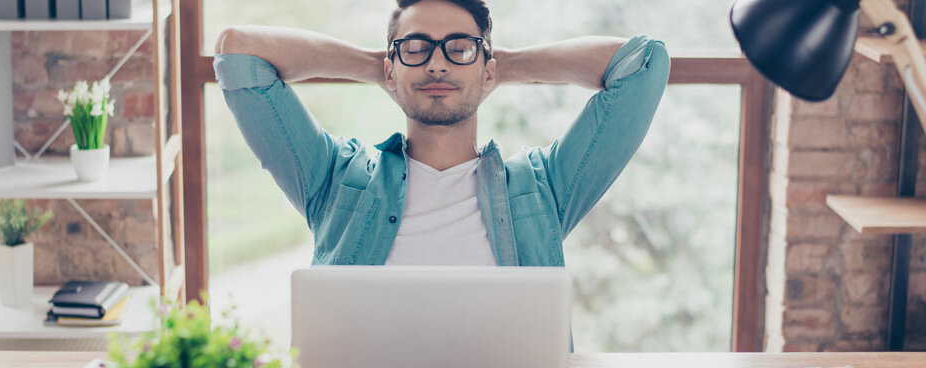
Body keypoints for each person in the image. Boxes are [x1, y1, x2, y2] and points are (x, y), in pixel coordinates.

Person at [214, 0, 669, 266]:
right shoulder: (334, 179)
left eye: (459, 48)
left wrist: (501, 66)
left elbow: (644, 63)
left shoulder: (542, 188)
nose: (436, 64)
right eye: (416, 48)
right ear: (390, 69)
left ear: (487, 70)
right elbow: (239, 52)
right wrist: (380, 67)